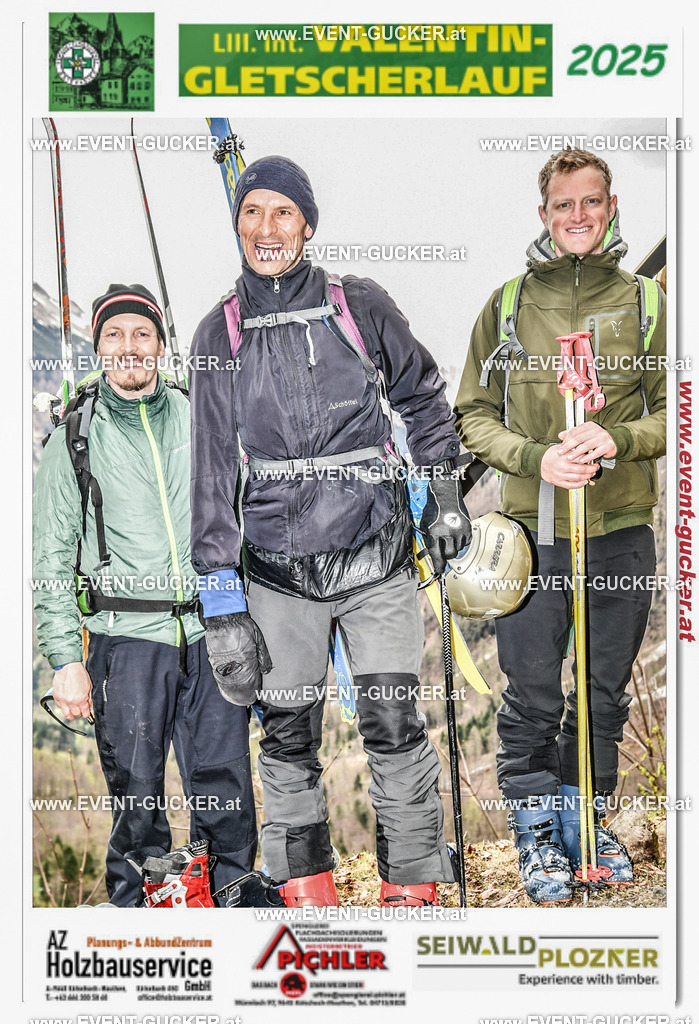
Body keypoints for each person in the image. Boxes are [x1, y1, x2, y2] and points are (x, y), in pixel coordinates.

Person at [189, 156, 471, 907]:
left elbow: (421, 393)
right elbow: (213, 468)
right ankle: (304, 887)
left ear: (307, 225)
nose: (266, 229)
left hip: (375, 551)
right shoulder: (216, 331)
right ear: (238, 224)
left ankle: (411, 881)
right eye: (253, 213)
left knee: (390, 718)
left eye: (283, 213)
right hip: (278, 568)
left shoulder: (359, 303)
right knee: (285, 731)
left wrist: (442, 488)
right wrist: (219, 596)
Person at [453, 148, 666, 904]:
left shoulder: (648, 303)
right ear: (542, 214)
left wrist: (620, 439)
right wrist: (536, 458)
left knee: (602, 692)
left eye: (590, 202)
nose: (576, 216)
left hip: (620, 529)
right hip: (529, 535)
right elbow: (471, 414)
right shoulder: (506, 305)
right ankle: (537, 832)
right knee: (533, 693)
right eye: (561, 205)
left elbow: (676, 405)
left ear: (610, 207)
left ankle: (585, 821)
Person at [33, 284, 257, 907]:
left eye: (141, 334)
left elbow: (241, 514)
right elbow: (50, 559)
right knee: (137, 795)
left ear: (160, 345)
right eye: (113, 335)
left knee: (226, 787)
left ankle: (230, 897)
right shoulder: (73, 438)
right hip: (124, 641)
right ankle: (144, 920)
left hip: (212, 630)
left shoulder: (198, 416)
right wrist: (64, 659)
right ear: (98, 346)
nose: (129, 347)